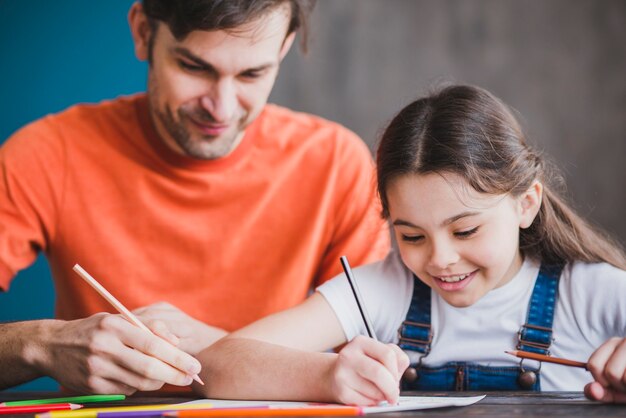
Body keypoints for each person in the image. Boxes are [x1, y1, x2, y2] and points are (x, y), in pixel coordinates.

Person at [0, 0, 390, 394]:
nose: (220, 108)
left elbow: (377, 364)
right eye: (193, 67)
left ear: (283, 49)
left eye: (253, 73)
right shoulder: (49, 153)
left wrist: (223, 352)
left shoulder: (335, 163)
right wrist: (42, 344)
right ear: (142, 32)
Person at [194, 84, 626, 405]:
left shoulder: (589, 292)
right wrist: (326, 375)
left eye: (465, 231)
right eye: (412, 236)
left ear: (526, 205)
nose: (439, 259)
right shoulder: (385, 289)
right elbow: (217, 365)